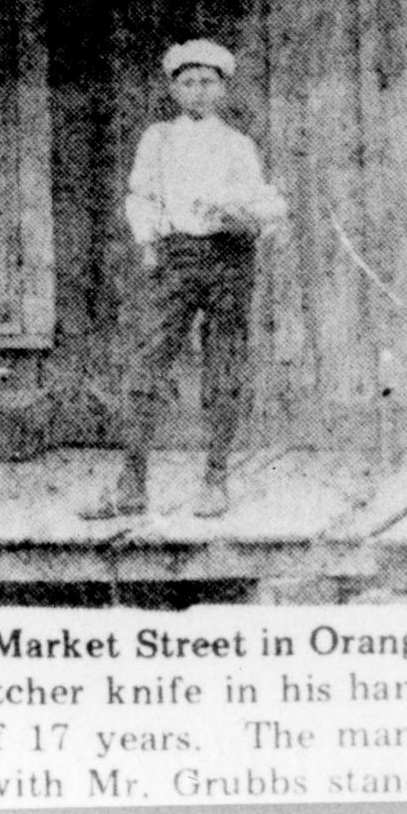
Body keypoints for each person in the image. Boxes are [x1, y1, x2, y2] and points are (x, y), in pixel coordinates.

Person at [81, 39, 287, 524]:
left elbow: (261, 206)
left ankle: (215, 478)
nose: (198, 92)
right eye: (188, 82)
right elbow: (141, 197)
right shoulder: (159, 139)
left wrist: (244, 216)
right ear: (174, 88)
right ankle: (131, 483)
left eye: (208, 82)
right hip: (175, 258)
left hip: (229, 260)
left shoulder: (238, 145)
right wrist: (151, 245)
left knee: (224, 365)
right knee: (146, 365)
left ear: (222, 88)